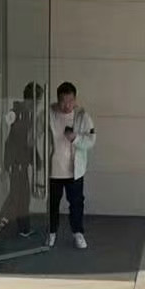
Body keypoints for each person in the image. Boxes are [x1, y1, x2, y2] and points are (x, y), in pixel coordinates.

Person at [0, 82, 43, 242]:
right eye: (39, 100)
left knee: (23, 196)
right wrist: (12, 164)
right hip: (16, 163)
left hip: (19, 162)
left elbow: (26, 142)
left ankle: (24, 228)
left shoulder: (25, 113)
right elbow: (22, 141)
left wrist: (34, 158)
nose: (39, 104)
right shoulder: (19, 114)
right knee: (15, 198)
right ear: (34, 99)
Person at [48, 81, 95, 252]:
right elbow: (36, 135)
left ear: (75, 100)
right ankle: (51, 232)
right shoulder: (48, 114)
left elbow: (91, 140)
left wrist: (76, 138)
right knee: (52, 204)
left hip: (75, 170)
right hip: (53, 170)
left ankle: (78, 233)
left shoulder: (83, 116)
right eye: (63, 101)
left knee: (76, 203)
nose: (67, 105)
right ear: (57, 99)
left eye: (70, 101)